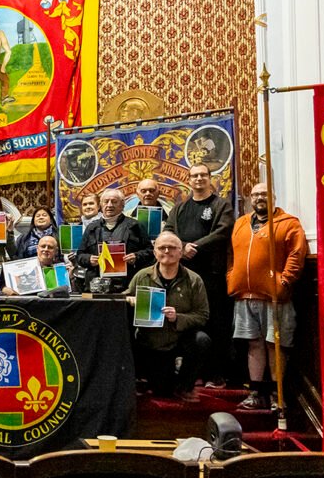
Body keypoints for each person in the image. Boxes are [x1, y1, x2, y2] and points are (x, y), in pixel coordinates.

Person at [228, 183, 308, 410]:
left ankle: (276, 394)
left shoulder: (289, 223)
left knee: (275, 344)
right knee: (253, 344)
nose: (259, 198)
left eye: (264, 194)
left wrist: (285, 280)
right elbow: (231, 254)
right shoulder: (241, 223)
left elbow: (296, 253)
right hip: (244, 294)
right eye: (255, 195)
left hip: (274, 296)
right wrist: (231, 276)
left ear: (273, 197)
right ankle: (255, 392)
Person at [163, 163, 235, 386]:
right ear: (189, 180)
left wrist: (195, 247)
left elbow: (223, 231)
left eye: (203, 175)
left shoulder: (221, 205)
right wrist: (182, 247)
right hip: (184, 276)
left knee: (215, 323)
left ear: (210, 178)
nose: (199, 179)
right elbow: (168, 231)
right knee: (190, 323)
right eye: (194, 175)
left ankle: (216, 374)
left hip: (212, 275)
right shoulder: (179, 208)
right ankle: (194, 373)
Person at [127, 232, 210, 402]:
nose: (166, 251)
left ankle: (185, 386)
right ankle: (144, 379)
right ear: (155, 252)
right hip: (150, 341)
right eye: (162, 248)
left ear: (181, 252)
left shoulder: (194, 280)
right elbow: (124, 296)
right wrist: (130, 300)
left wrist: (177, 317)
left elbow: (202, 315)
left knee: (202, 340)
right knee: (162, 391)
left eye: (172, 247)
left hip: (179, 339)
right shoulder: (142, 276)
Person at [76, 188, 153, 293]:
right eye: (106, 201)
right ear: (101, 205)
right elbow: (80, 255)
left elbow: (150, 252)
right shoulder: (92, 228)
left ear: (122, 205)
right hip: (96, 286)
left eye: (114, 201)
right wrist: (89, 259)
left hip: (127, 286)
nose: (109, 205)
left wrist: (136, 256)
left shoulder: (135, 226)